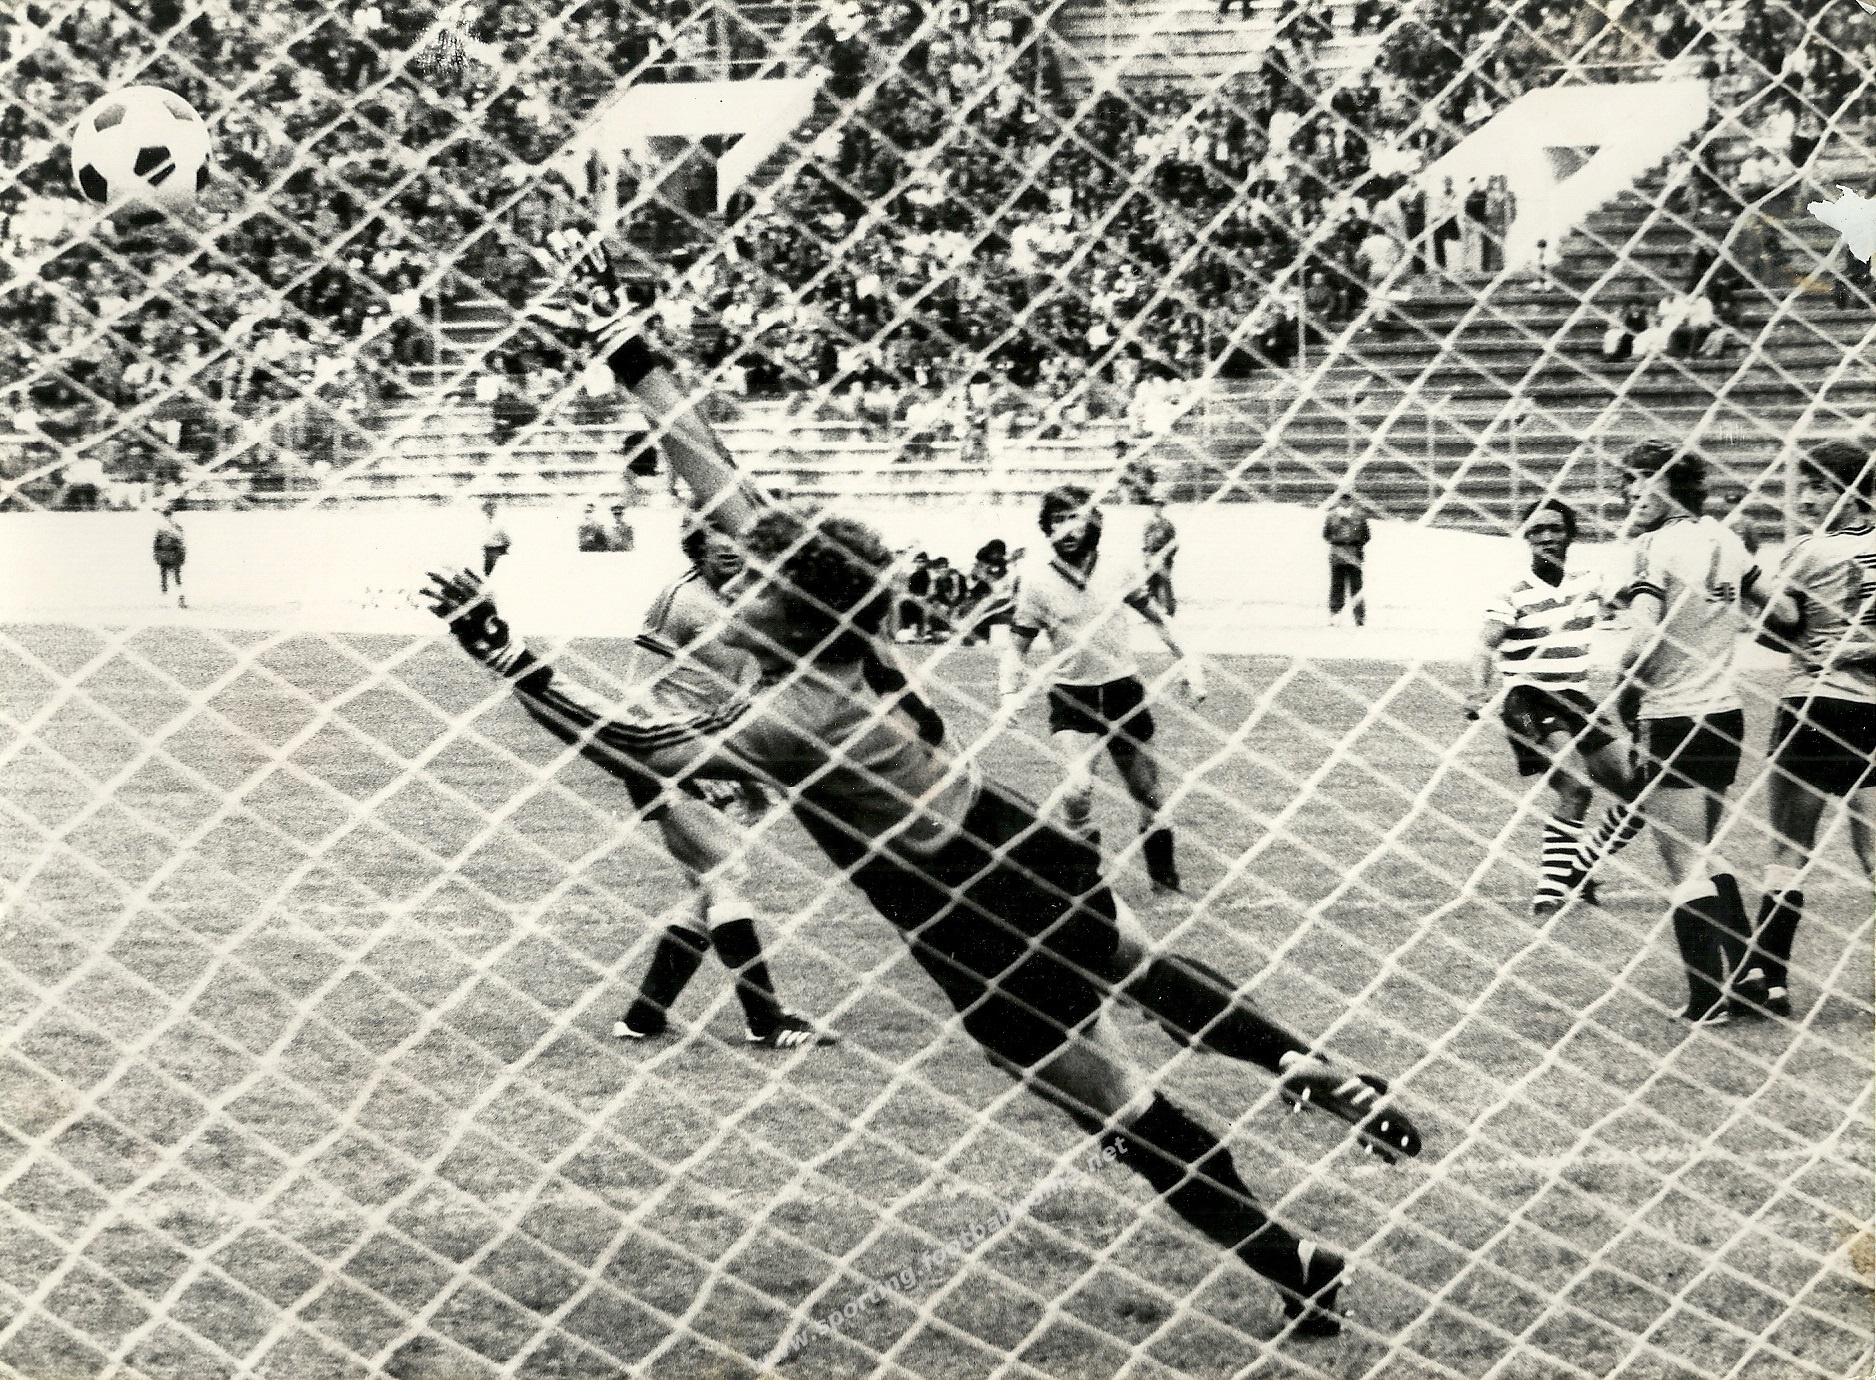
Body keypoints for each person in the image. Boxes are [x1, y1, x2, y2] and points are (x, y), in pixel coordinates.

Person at [423, 316, 1422, 1338]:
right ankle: (1302, 1065)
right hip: (1011, 837)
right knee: (1144, 968)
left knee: (1117, 1105)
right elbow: (717, 476)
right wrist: (633, 357)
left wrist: (509, 660)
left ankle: (1293, 1264)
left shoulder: (789, 717)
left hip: (956, 913)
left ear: (786, 610)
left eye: (751, 584)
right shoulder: (855, 636)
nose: (734, 583)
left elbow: (641, 748)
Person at [611, 515, 836, 1049]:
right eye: (718, 542)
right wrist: (682, 759)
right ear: (697, 546)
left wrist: (741, 763)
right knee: (726, 873)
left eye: (737, 541)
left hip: (717, 754)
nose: (731, 551)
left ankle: (643, 1016)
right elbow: (636, 691)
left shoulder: (754, 600)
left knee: (708, 887)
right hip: (664, 755)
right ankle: (765, 1019)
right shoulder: (678, 601)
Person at [1611, 441, 1768, 1026]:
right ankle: (1751, 978)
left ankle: (1707, 997)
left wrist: (1622, 690)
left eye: (1639, 480)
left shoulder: (1652, 547)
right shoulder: (1727, 539)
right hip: (1725, 714)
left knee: (1683, 863)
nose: (1631, 494)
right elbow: (1781, 612)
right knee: (1707, 849)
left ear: (1667, 482)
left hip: (1672, 716)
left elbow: (1642, 638)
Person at [1000, 486, 1204, 893]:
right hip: (1072, 697)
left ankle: (1165, 883)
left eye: (1074, 519)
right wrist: (1007, 695)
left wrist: (1190, 663)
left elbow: (1158, 619)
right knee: (1077, 791)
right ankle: (1084, 887)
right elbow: (1015, 648)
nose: (1066, 529)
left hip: (1123, 693)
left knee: (1147, 793)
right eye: (1057, 521)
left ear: (1092, 524)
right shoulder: (1036, 582)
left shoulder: (1117, 570)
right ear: (1047, 528)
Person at [1734, 440, 1876, 1019]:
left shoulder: (1809, 551)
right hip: (1873, 708)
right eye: (1805, 488)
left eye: (1819, 487)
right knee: (1873, 853)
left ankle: (1768, 979)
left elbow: (1778, 629)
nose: (1807, 499)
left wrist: (1748, 581)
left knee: (1788, 848)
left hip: (1817, 704)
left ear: (1853, 490)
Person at [1466, 500, 1638, 919]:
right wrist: (1478, 690)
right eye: (1536, 529)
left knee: (1642, 793)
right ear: (1526, 536)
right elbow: (1485, 645)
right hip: (1526, 701)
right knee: (1576, 788)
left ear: (1570, 534)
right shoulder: (1513, 593)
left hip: (1575, 699)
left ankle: (1579, 868)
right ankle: (1548, 895)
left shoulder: (1590, 581)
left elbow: (1634, 601)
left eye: (1554, 529)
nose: (1545, 537)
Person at [1322, 492, 1370, 626]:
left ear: (1351, 501)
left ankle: (1359, 617)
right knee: (1337, 586)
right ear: (1339, 501)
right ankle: (1335, 615)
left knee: (1356, 587)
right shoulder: (1332, 516)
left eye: (1347, 500)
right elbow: (1326, 534)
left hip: (1353, 555)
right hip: (1338, 555)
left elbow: (1366, 535)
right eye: (1343, 500)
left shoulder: (1359, 516)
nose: (1345, 502)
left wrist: (1356, 544)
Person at [1142, 492, 1179, 615]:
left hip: (1163, 557)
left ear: (1162, 508)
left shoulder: (1167, 525)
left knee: (1165, 583)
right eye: (1154, 506)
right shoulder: (1148, 524)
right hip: (1151, 556)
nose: (1156, 508)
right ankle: (1154, 611)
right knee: (1151, 584)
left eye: (1158, 506)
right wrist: (1146, 557)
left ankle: (1170, 610)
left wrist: (1166, 556)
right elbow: (1145, 543)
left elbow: (1174, 543)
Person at [153, 505, 187, 607]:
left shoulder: (160, 528)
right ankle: (180, 599)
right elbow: (181, 543)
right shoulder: (176, 527)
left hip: (164, 554)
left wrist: (157, 555)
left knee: (164, 578)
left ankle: (165, 600)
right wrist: (182, 556)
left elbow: (156, 544)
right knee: (176, 578)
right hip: (174, 554)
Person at [480, 499, 511, 575]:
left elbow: (507, 539)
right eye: (487, 509)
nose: (489, 511)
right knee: (487, 570)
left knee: (493, 570)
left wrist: (503, 548)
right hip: (487, 549)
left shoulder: (499, 522)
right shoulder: (482, 521)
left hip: (497, 549)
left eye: (491, 508)